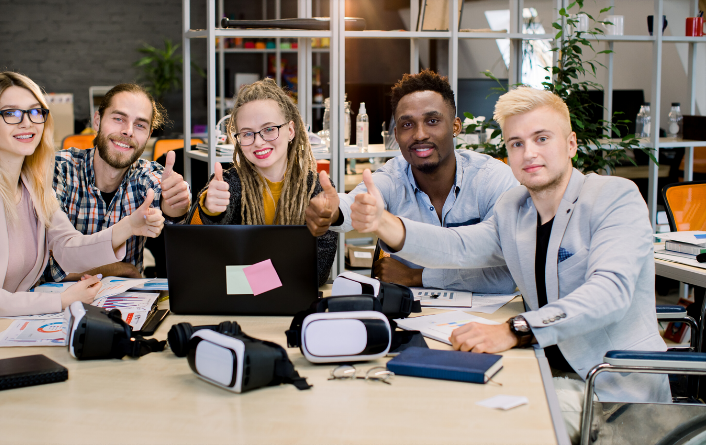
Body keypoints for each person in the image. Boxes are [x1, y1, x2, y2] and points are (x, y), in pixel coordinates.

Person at [347, 86, 670, 442]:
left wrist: (515, 328)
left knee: (475, 425)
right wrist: (384, 223)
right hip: (541, 370)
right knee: (428, 402)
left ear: (571, 144)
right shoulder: (515, 208)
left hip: (613, 393)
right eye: (516, 143)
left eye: (541, 138)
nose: (529, 153)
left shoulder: (614, 197)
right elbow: (460, 248)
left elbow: (609, 293)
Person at [0, 72, 165, 349]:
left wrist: (129, 226)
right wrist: (62, 298)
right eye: (11, 113)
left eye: (36, 112)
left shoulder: (34, 186)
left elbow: (68, 249)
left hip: (3, 329)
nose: (27, 123)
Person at [305, 70, 517, 293]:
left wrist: (416, 276)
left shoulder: (492, 178)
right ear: (396, 135)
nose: (420, 134)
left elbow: (505, 276)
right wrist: (334, 211)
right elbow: (357, 202)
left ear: (455, 127)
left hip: (485, 321)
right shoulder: (392, 177)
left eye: (432, 121)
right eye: (408, 125)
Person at [193, 78, 337, 286]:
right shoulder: (226, 184)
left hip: (296, 306)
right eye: (247, 133)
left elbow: (317, 272)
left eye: (269, 129)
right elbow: (211, 267)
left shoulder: (316, 188)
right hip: (238, 308)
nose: (259, 141)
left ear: (290, 130)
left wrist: (246, 277)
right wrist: (210, 210)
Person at [45, 84, 190, 282]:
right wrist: (124, 269)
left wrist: (176, 202)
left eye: (140, 125)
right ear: (97, 121)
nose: (128, 131)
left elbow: (170, 204)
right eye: (118, 119)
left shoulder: (146, 175)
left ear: (148, 135)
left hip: (125, 304)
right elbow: (52, 269)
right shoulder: (60, 169)